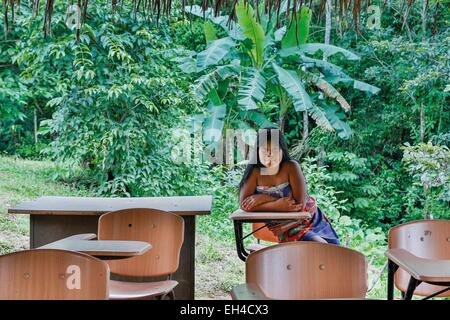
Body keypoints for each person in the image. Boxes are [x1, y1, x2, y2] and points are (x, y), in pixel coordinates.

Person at [239, 127, 340, 244]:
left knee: (334, 253)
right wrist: (276, 205)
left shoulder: (291, 167)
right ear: (257, 152)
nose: (270, 155)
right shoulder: (254, 172)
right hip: (285, 227)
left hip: (309, 219)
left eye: (275, 150)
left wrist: (264, 199)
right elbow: (244, 205)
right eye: (264, 151)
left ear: (283, 151)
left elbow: (299, 205)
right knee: (320, 247)